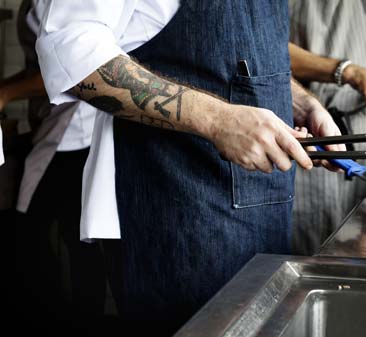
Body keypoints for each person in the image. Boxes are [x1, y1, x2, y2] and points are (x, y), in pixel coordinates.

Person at [35, 1, 343, 334]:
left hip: (262, 213)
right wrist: (218, 119)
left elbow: (237, 54)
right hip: (173, 211)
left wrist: (299, 103)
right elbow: (73, 56)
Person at [4, 1, 106, 335]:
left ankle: (63, 322)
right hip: (57, 130)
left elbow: (75, 69)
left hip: (77, 133)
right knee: (70, 240)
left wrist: (6, 93)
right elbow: (41, 69)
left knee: (39, 234)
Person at [288, 0, 366, 255]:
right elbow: (265, 50)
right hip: (305, 132)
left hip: (361, 128)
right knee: (310, 251)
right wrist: (347, 71)